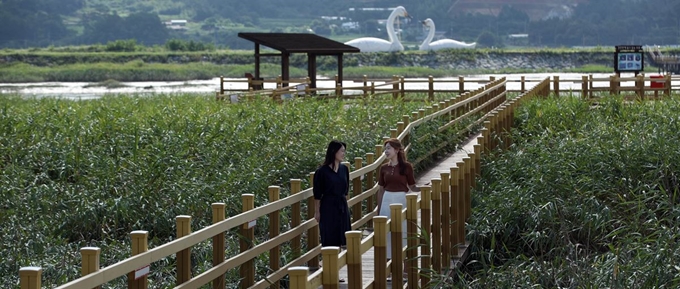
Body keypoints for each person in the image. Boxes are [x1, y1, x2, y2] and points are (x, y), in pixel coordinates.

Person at [375, 138, 420, 281]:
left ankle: (405, 271)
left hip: (401, 199)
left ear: (396, 150)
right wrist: (379, 209)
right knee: (387, 235)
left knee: (404, 233)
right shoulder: (383, 168)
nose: (386, 151)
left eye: (388, 148)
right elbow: (381, 190)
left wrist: (424, 188)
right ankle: (389, 270)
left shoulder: (406, 167)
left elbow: (412, 186)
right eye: (385, 149)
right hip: (387, 200)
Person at [313, 140, 351, 248]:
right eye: (341, 151)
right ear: (334, 151)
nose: (343, 154)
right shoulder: (321, 171)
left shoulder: (344, 169)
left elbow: (346, 189)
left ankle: (343, 262)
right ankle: (330, 262)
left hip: (342, 205)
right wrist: (317, 211)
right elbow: (317, 193)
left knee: (344, 236)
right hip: (328, 206)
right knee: (329, 235)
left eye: (344, 151)